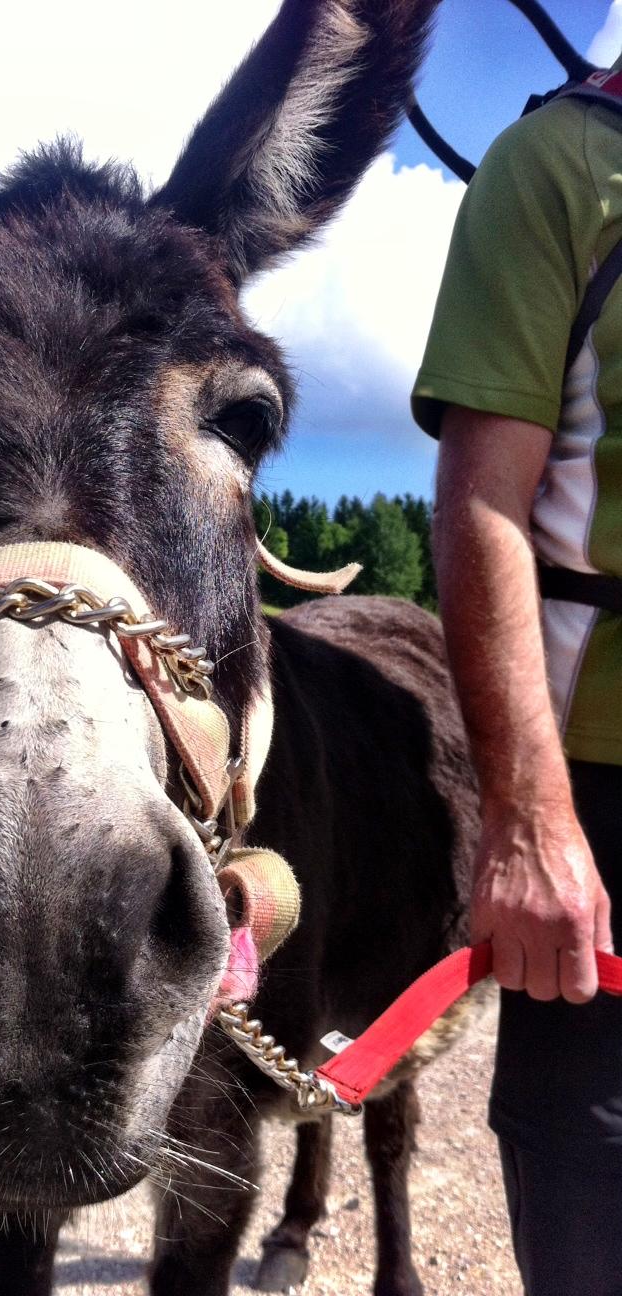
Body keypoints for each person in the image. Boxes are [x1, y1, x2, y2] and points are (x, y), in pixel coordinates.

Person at [412, 58, 622, 1296]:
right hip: (598, 793)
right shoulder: (553, 167)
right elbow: (481, 506)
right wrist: (530, 824)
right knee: (591, 1165)